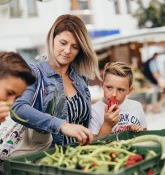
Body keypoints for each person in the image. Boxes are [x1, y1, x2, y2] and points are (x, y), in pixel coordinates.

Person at [9, 14, 100, 146]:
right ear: (52, 39)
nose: (67, 50)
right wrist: (61, 125)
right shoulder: (34, 72)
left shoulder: (80, 77)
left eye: (75, 47)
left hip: (80, 155)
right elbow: (17, 109)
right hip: (48, 158)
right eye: (63, 43)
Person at [89, 62, 147, 137]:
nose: (114, 94)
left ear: (129, 91)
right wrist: (107, 125)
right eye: (109, 87)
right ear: (102, 85)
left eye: (120, 90)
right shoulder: (94, 111)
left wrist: (137, 130)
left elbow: (145, 134)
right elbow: (93, 145)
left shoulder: (136, 106)